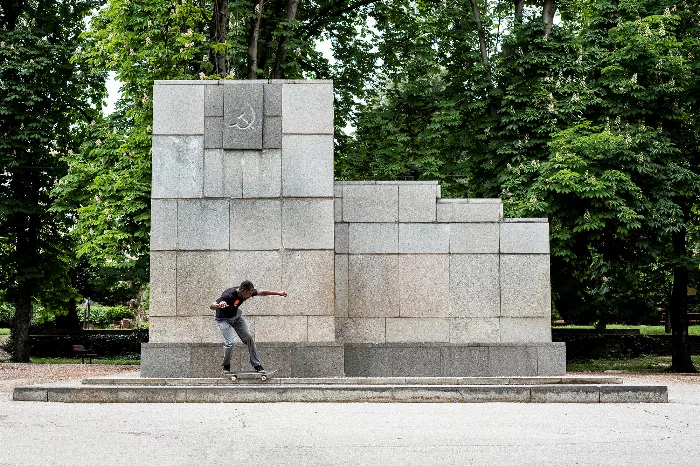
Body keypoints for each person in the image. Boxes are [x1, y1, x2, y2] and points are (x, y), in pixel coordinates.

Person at [210, 280, 287, 374]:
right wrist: (218, 305)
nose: (250, 296)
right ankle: (226, 365)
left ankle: (257, 365)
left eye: (251, 293)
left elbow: (262, 292)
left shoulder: (246, 292)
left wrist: (278, 293)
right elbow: (211, 306)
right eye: (249, 294)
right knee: (230, 342)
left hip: (236, 317)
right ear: (243, 290)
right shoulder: (228, 295)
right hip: (223, 320)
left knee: (249, 338)